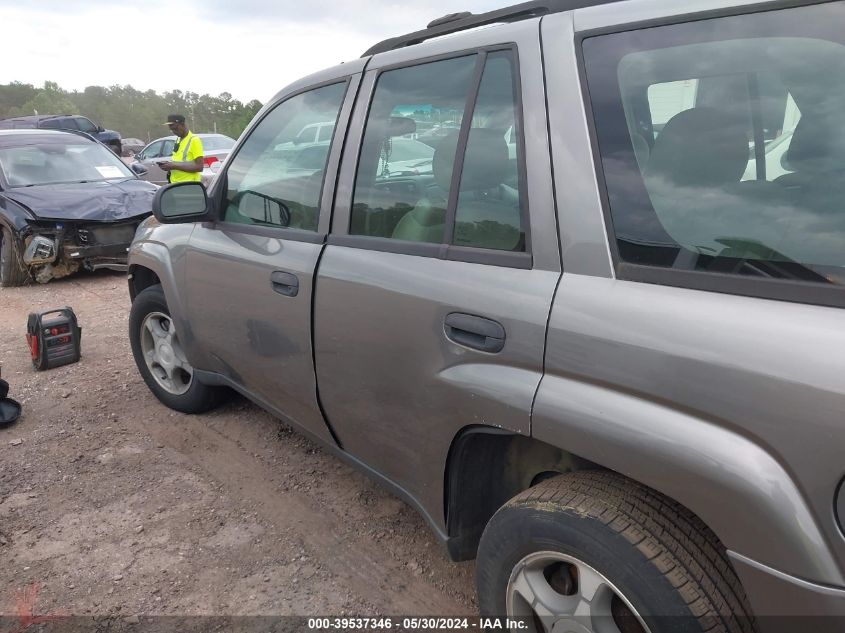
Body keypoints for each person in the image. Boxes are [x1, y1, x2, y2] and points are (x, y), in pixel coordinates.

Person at [157, 114, 204, 183]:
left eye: (175, 129)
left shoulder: (194, 140)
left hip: (188, 185)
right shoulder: (178, 140)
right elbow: (178, 160)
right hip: (175, 183)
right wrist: (169, 165)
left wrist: (174, 166)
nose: (174, 132)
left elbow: (199, 167)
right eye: (171, 130)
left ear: (182, 124)